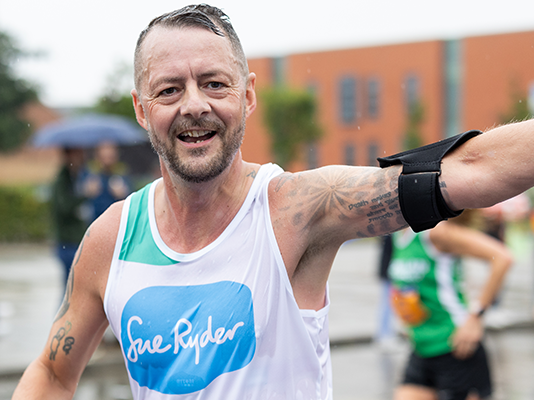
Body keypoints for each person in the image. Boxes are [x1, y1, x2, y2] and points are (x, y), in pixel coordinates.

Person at [12, 4, 534, 399]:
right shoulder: (111, 239)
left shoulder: (297, 211)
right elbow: (54, 372)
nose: (194, 105)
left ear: (247, 95)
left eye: (214, 83)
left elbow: (468, 168)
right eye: (169, 90)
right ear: (142, 109)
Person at [389, 211, 513, 400]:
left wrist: (476, 316)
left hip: (456, 345)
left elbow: (502, 258)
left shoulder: (435, 233)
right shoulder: (399, 234)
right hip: (421, 346)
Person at [50, 147, 88, 289]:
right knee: (70, 289)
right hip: (67, 242)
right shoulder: (62, 180)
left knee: (76, 287)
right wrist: (85, 195)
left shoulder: (79, 176)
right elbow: (64, 207)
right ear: (68, 156)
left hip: (78, 240)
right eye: (77, 154)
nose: (81, 157)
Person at [81, 141, 132, 222]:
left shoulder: (121, 172)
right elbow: (79, 196)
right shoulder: (91, 171)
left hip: (115, 219)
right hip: (94, 219)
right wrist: (87, 191)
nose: (107, 157)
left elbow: (131, 194)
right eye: (104, 155)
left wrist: (123, 193)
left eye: (110, 156)